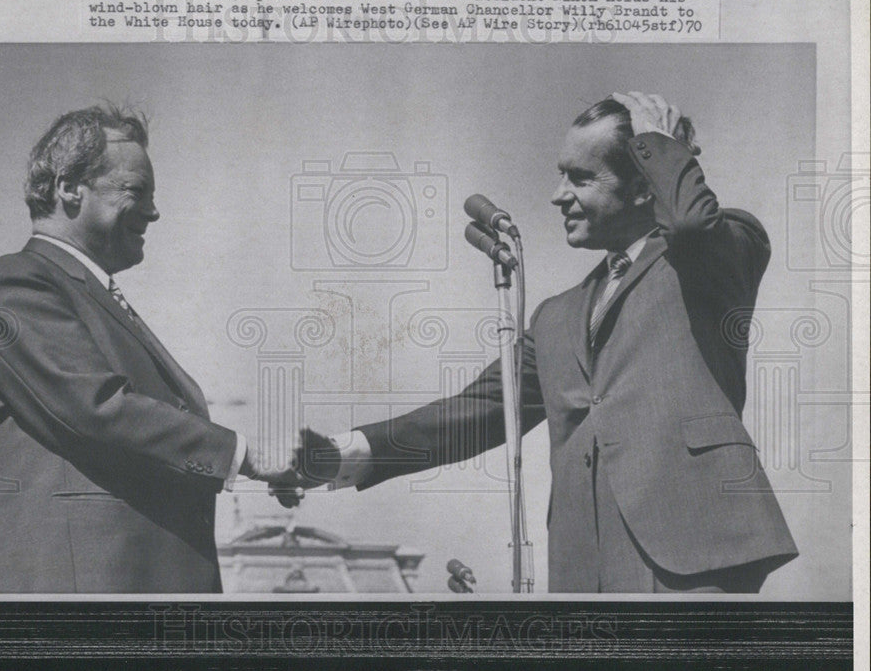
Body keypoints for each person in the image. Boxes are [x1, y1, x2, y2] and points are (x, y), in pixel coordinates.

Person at [284, 92, 798, 593]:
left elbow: (689, 222)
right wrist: (340, 454)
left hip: (698, 551)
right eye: (560, 175)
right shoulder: (556, 316)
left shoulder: (720, 252)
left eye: (580, 177)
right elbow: (479, 409)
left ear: (644, 187)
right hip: (586, 568)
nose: (558, 195)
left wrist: (659, 143)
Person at [0, 104, 295, 593]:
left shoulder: (85, 294)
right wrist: (246, 455)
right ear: (69, 187)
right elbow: (97, 407)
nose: (154, 212)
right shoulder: (15, 282)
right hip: (71, 601)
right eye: (135, 191)